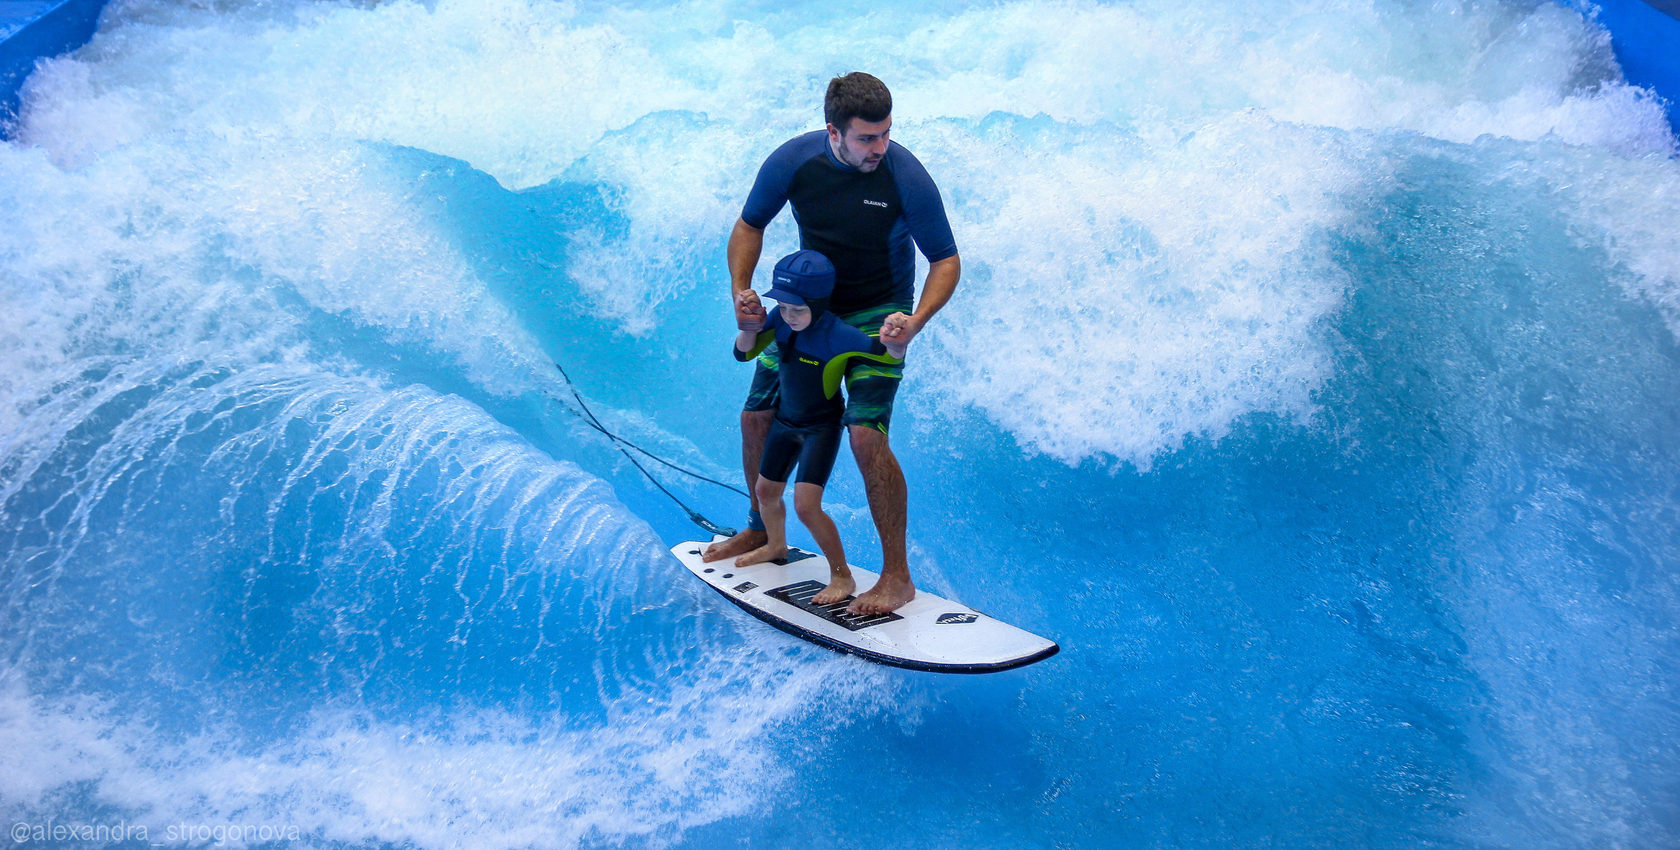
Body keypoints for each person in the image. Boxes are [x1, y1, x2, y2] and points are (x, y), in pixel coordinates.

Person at [702, 71, 961, 616]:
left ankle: (896, 578)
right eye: (868, 137)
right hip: (805, 308)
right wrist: (741, 293)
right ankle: (759, 529)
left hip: (877, 315)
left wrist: (914, 321)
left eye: (887, 133)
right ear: (834, 132)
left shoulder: (905, 176)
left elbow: (946, 261)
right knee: (757, 416)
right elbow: (749, 225)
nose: (881, 147)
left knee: (866, 436)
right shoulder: (795, 162)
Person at [731, 250, 906, 606]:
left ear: (819, 303)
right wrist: (748, 330)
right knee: (766, 493)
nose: (789, 316)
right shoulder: (780, 321)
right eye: (783, 306)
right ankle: (775, 544)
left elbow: (886, 355)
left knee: (806, 506)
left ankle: (842, 575)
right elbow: (743, 354)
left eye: (798, 309)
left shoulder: (839, 335)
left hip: (820, 429)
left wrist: (896, 341)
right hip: (784, 422)